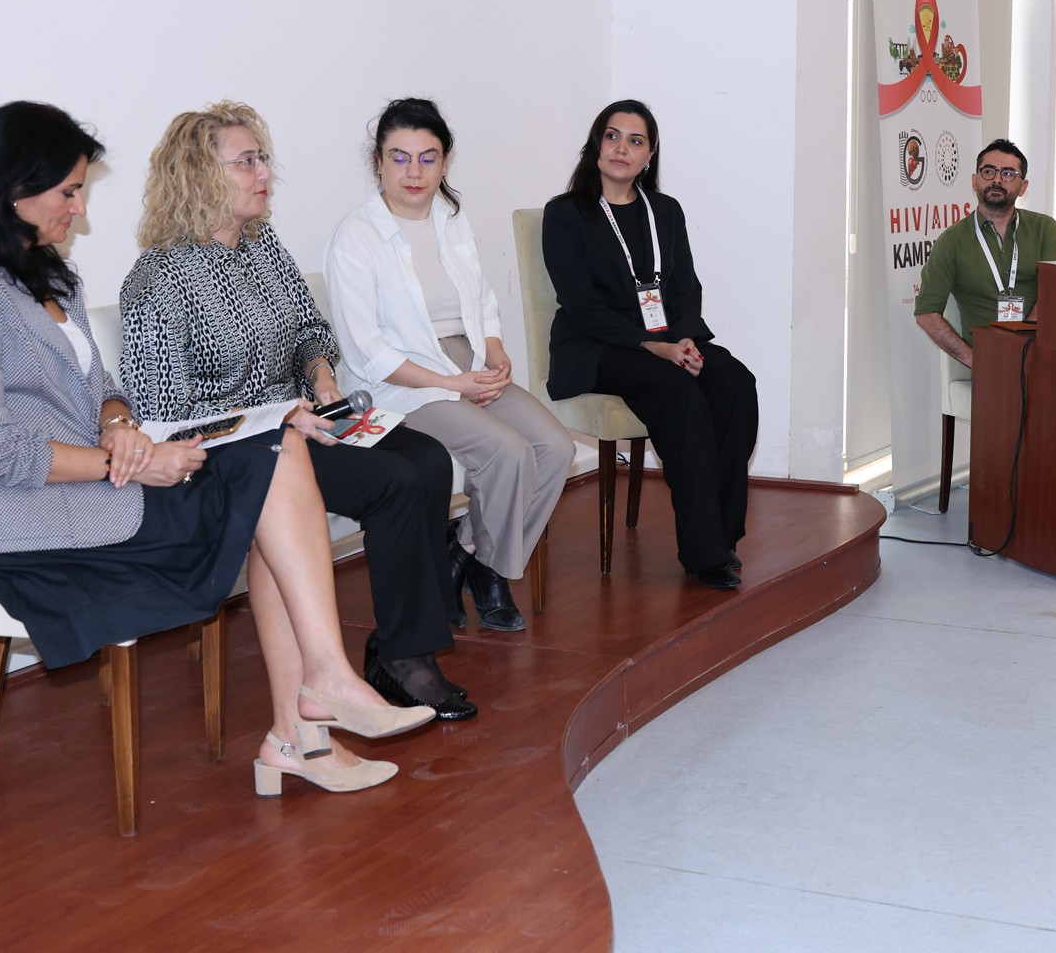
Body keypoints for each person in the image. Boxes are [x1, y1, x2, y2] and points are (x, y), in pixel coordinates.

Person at [0, 101, 431, 799]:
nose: (81, 208)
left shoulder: (45, 272)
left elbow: (103, 388)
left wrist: (119, 422)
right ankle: (306, 719)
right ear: (12, 187)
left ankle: (307, 721)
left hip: (91, 482)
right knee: (269, 475)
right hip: (12, 515)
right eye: (69, 191)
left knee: (274, 463)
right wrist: (132, 459)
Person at [119, 101, 476, 722]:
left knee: (425, 457)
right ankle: (404, 659)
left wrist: (320, 374)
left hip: (300, 423)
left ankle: (406, 640)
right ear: (198, 175)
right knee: (393, 480)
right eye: (247, 162)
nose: (265, 173)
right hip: (230, 452)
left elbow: (310, 328)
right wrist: (279, 417)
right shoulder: (159, 279)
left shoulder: (262, 248)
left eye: (262, 159)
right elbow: (163, 413)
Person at [326, 98, 570, 632]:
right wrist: (450, 383)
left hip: (464, 356)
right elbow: (366, 351)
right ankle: (493, 573)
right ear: (378, 162)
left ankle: (471, 556)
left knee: (555, 447)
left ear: (444, 162)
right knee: (506, 451)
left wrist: (495, 350)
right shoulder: (356, 237)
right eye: (399, 157)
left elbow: (482, 300)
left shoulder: (450, 219)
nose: (413, 172)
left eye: (427, 158)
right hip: (399, 380)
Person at [542, 99, 758, 590]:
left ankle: (722, 535)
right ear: (596, 144)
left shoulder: (664, 210)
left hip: (665, 338)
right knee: (676, 390)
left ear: (649, 154)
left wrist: (684, 338)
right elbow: (580, 305)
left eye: (635, 141)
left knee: (734, 381)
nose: (622, 148)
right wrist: (653, 346)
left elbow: (684, 286)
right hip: (595, 345)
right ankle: (704, 552)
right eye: (612, 136)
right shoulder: (565, 214)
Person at [914, 139, 1056, 367]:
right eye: (988, 171)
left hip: (1040, 359)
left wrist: (1024, 350)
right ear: (975, 181)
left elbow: (1053, 294)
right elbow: (926, 313)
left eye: (1008, 174)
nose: (997, 180)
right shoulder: (952, 241)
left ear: (1023, 187)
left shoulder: (1045, 230)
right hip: (988, 364)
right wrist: (975, 360)